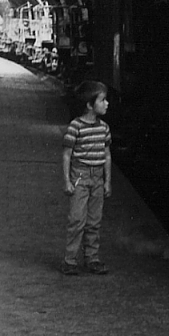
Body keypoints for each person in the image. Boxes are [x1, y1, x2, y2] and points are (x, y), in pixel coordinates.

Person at [61, 80, 112, 276]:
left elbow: (107, 155)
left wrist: (107, 181)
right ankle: (70, 259)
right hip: (80, 176)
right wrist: (67, 181)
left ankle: (92, 258)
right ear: (90, 105)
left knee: (94, 220)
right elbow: (67, 154)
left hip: (97, 177)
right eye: (103, 100)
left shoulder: (104, 129)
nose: (106, 104)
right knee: (77, 219)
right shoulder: (76, 127)